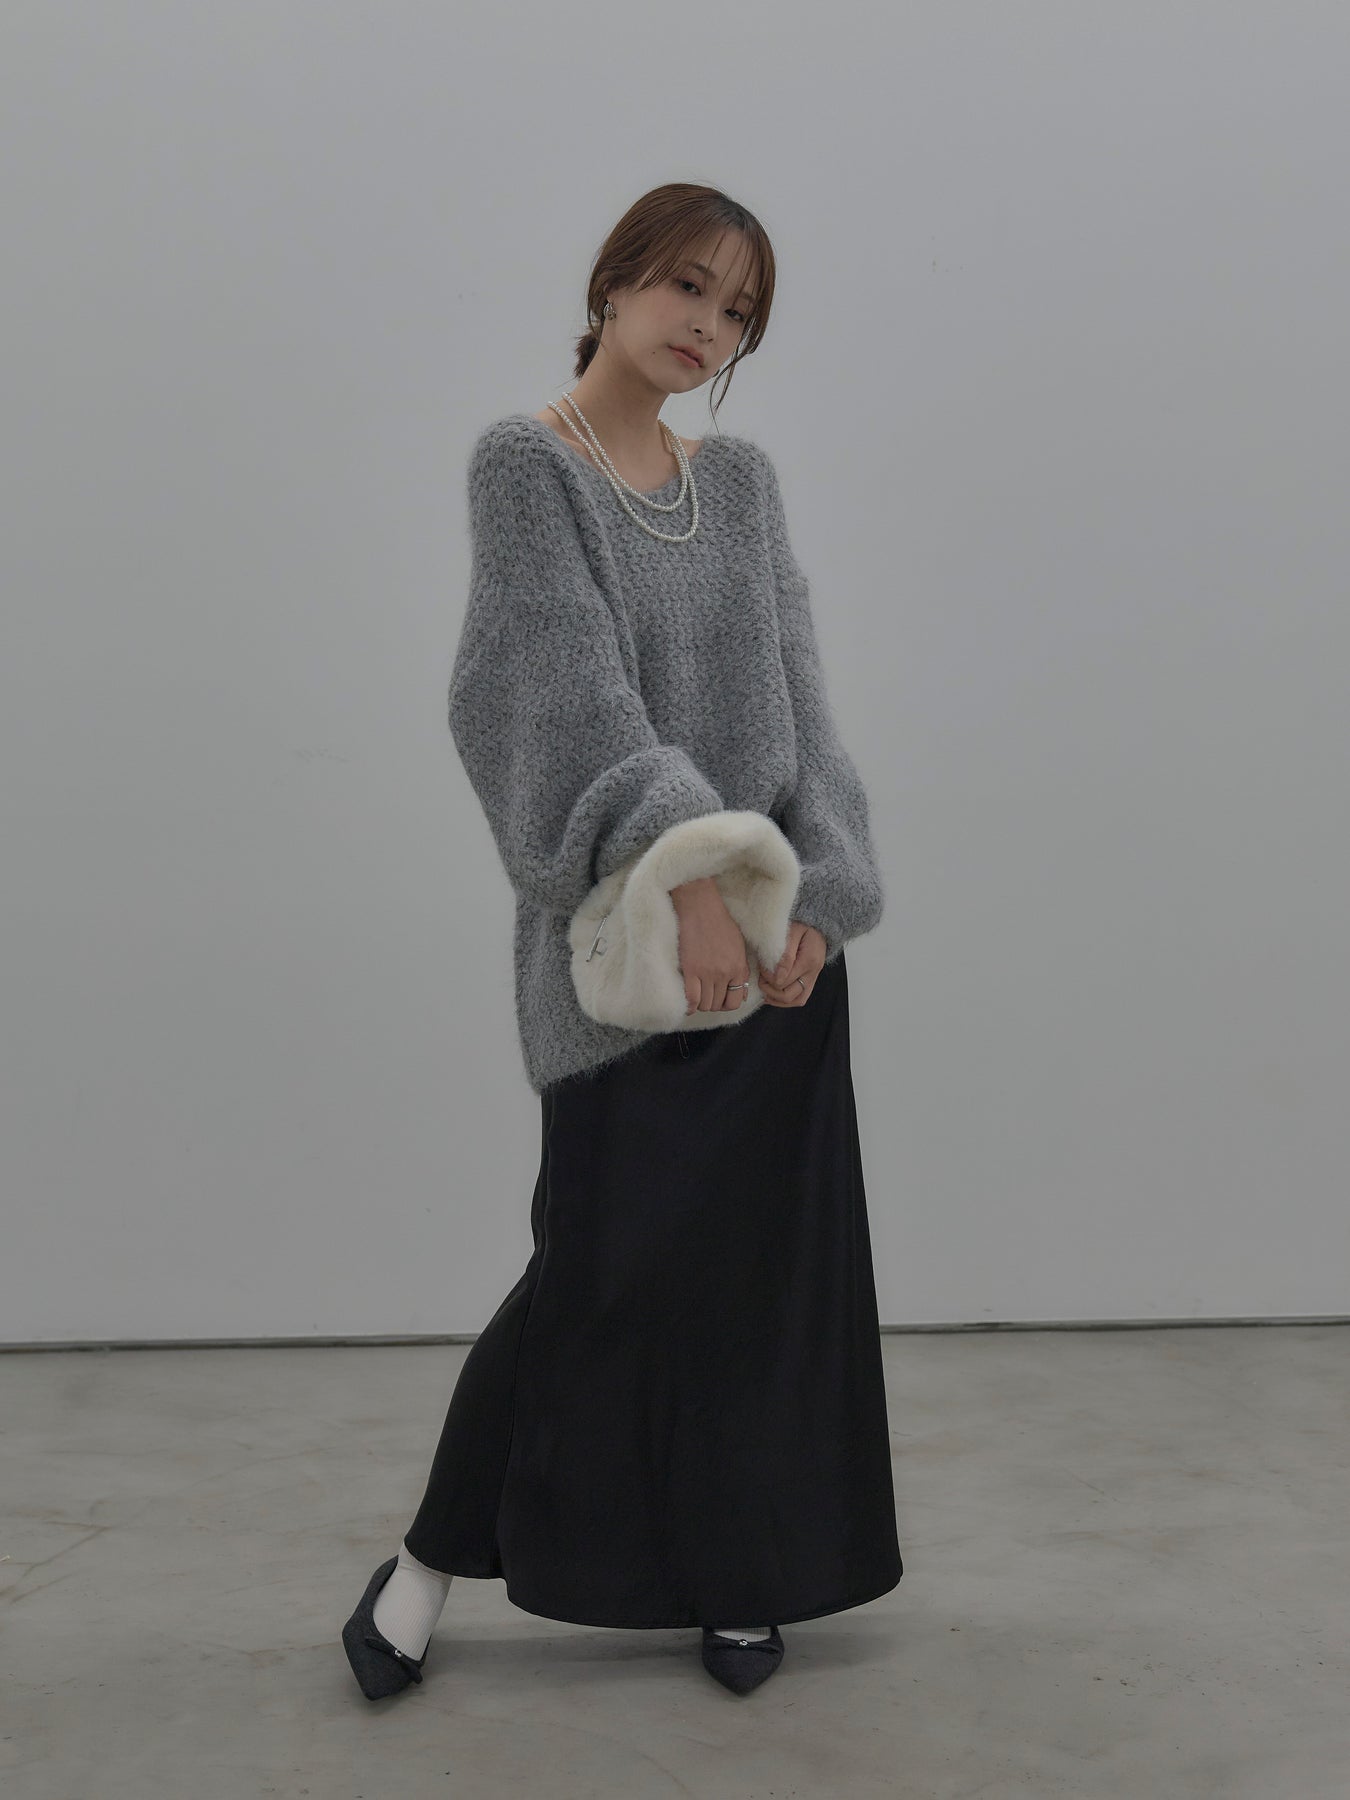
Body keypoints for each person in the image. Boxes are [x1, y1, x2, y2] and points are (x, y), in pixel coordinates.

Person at [342, 182, 902, 1701]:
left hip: (776, 970)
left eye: (737, 311)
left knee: (760, 1290)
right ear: (613, 284)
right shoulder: (528, 465)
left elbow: (803, 704)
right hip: (634, 966)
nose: (705, 324)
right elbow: (555, 695)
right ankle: (426, 1565)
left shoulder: (746, 484)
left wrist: (820, 896)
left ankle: (745, 1572)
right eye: (685, 286)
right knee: (594, 1277)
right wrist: (691, 877)